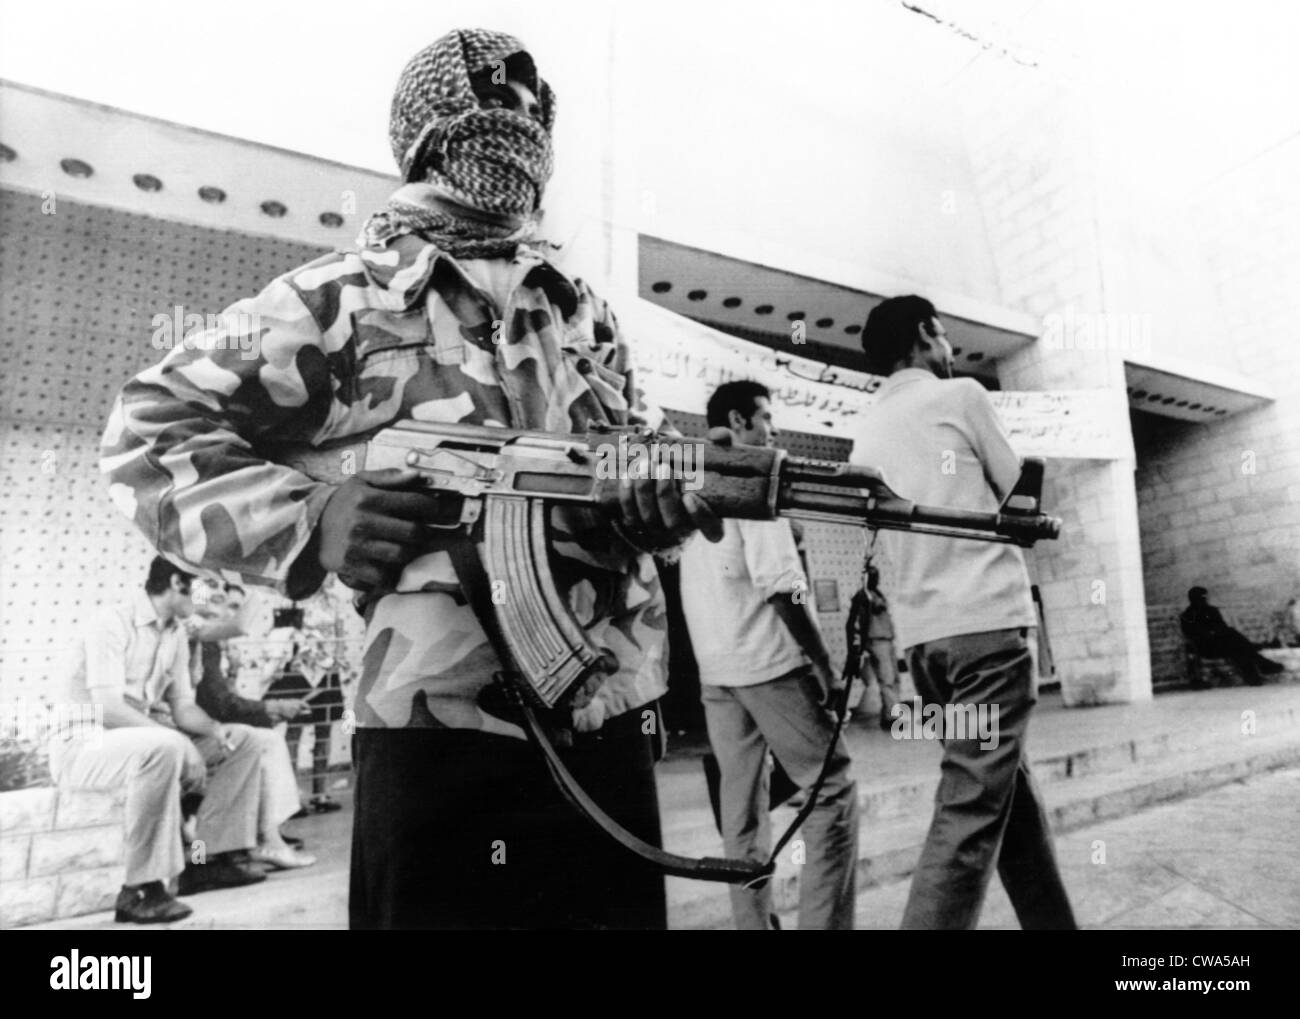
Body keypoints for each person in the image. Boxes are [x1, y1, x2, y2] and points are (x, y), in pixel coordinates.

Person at [100, 28, 721, 930]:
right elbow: (146, 427)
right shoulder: (337, 297)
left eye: (528, 105)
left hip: (609, 717)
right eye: (489, 101)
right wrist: (312, 519)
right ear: (428, 128)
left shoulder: (585, 318)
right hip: (437, 731)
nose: (516, 122)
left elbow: (649, 453)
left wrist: (662, 506)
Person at [849, 295, 1075, 930]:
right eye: (943, 336)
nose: (951, 350)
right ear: (924, 335)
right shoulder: (962, 396)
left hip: (927, 648)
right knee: (971, 811)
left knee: (1008, 805)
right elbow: (1020, 504)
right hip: (987, 633)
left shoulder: (866, 429)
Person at [678, 381, 859, 931]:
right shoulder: (756, 487)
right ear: (739, 419)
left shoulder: (692, 485)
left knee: (742, 818)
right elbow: (783, 586)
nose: (773, 432)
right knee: (833, 791)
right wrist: (825, 664)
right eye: (766, 419)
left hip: (718, 673)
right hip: (770, 667)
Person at [51, 557, 267, 924]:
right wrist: (176, 741)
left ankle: (204, 862)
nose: (208, 598)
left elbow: (183, 707)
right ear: (176, 583)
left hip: (141, 740)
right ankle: (140, 889)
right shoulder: (112, 622)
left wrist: (215, 729)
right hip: (85, 743)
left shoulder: (177, 633)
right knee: (164, 746)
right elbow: (106, 706)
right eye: (203, 588)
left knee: (242, 741)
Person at [190, 582, 317, 868]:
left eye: (235, 606)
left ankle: (265, 836)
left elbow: (215, 703)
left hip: (195, 730)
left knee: (262, 738)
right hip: (190, 734)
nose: (227, 612)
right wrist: (270, 708)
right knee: (264, 741)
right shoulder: (204, 639)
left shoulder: (211, 642)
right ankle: (268, 838)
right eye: (226, 603)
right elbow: (217, 704)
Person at [1179, 586, 1284, 686]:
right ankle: (1261, 667)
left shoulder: (1210, 610)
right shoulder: (1188, 615)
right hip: (1207, 648)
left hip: (1221, 643)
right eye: (1204, 597)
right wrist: (1213, 633)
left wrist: (1216, 633)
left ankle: (1256, 676)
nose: (1206, 599)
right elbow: (1194, 635)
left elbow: (1220, 626)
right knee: (1235, 641)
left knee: (1237, 647)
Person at [843, 564, 901, 731]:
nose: (876, 579)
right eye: (873, 576)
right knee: (887, 679)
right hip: (876, 641)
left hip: (887, 639)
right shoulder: (862, 596)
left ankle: (889, 713)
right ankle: (892, 716)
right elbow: (855, 621)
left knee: (894, 678)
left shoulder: (877, 593)